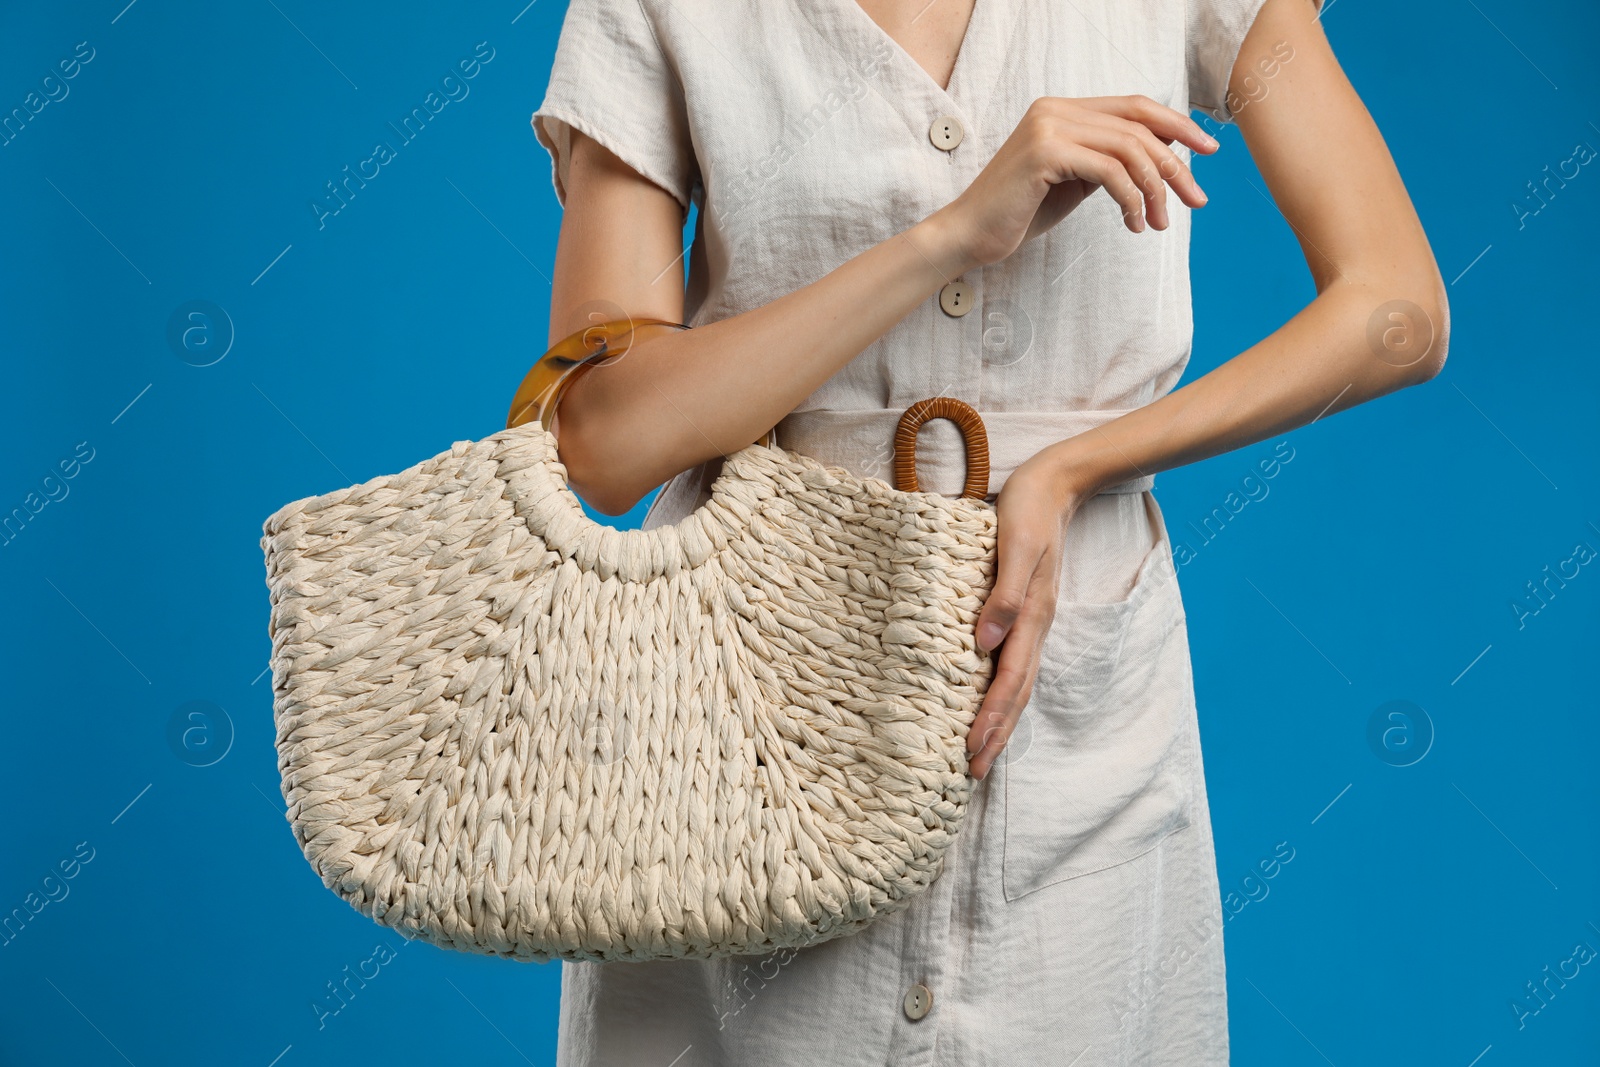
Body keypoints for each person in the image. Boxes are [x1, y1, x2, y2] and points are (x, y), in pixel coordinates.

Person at [528, 0, 1447, 1061]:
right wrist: (951, 234)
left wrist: (1071, 467)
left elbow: (1399, 309)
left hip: (1084, 701)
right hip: (749, 713)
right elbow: (604, 432)